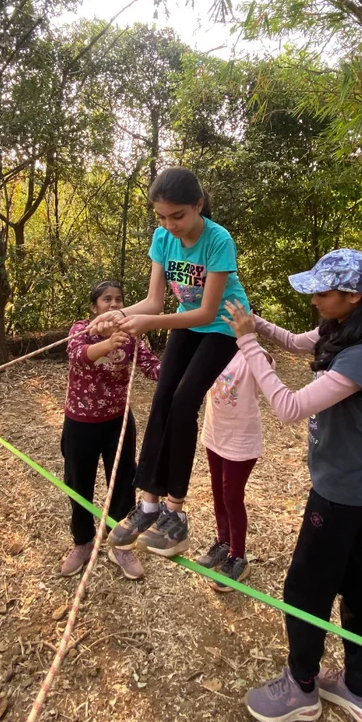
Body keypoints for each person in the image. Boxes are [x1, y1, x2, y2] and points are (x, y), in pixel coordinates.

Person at [230, 250, 362, 722]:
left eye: (324, 291)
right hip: (357, 488)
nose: (315, 298)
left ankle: (302, 685)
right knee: (356, 583)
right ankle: (359, 687)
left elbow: (288, 406)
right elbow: (298, 342)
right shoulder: (342, 330)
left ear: (353, 296)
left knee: (304, 587)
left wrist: (247, 344)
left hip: (342, 495)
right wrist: (254, 321)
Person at [90, 167, 251, 557]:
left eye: (177, 215)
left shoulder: (218, 239)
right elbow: (154, 302)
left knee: (183, 404)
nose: (169, 224)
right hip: (185, 322)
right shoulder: (162, 238)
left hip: (222, 326)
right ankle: (148, 504)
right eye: (161, 217)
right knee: (162, 399)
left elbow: (206, 311)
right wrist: (119, 314)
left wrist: (148, 322)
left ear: (198, 205)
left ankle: (175, 512)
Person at [60, 280, 162, 580]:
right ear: (94, 307)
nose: (115, 305)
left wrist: (186, 375)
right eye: (107, 300)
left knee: (122, 483)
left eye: (119, 300)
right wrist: (106, 343)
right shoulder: (79, 330)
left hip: (117, 421)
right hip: (80, 422)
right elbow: (78, 356)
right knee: (78, 484)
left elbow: (151, 366)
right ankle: (83, 542)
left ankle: (120, 543)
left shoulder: (131, 335)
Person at [192, 343, 275, 591]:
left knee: (231, 497)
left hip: (241, 439)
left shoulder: (253, 354)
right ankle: (223, 543)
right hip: (215, 433)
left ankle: (239, 557)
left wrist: (255, 347)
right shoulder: (213, 349)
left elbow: (267, 370)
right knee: (218, 493)